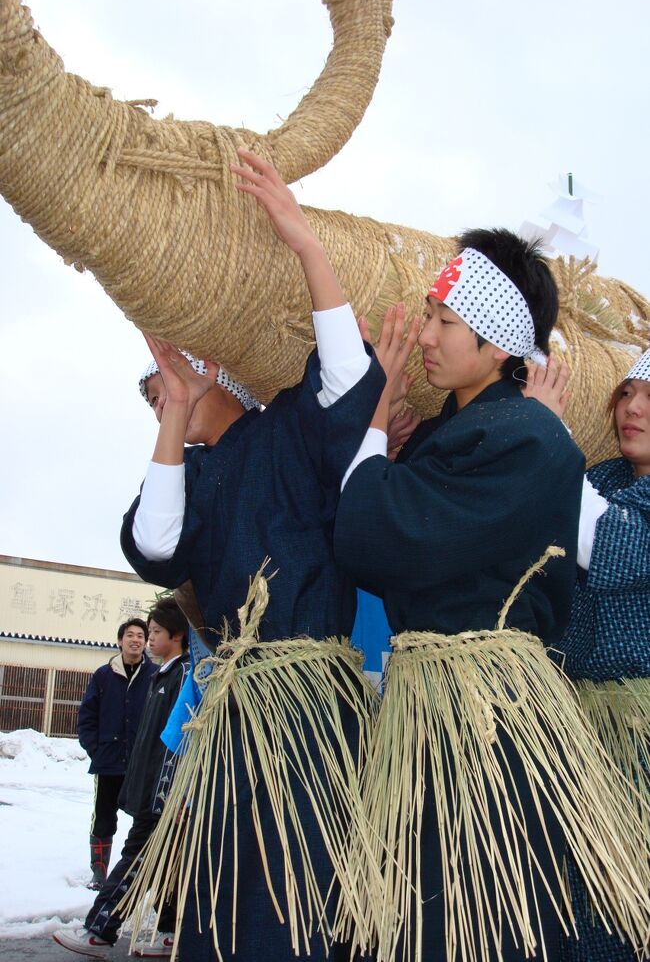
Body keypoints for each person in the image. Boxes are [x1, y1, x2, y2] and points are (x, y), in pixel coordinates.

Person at [118, 150, 415, 962]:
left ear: (218, 362)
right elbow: (154, 545)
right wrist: (174, 414)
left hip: (309, 714)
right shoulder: (194, 473)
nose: (162, 385)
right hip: (238, 716)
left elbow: (349, 380)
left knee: (294, 908)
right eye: (155, 385)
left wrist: (306, 246)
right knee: (219, 906)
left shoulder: (290, 428)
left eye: (171, 376)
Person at [333, 233, 650, 961]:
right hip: (433, 716)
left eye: (445, 321)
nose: (426, 334)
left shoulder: (530, 441)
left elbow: (375, 535)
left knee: (473, 918)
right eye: (429, 313)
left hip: (486, 727)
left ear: (498, 338)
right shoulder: (468, 434)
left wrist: (375, 409)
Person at [524, 347, 650, 962]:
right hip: (578, 730)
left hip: (638, 739)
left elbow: (604, 541)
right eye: (626, 393)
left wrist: (546, 433)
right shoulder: (600, 478)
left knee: (626, 902)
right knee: (574, 902)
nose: (632, 408)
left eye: (649, 398)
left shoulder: (598, 495)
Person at [53, 597, 191, 959]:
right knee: (169, 861)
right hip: (146, 785)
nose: (147, 639)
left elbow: (180, 742)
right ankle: (169, 931)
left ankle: (99, 930)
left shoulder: (183, 676)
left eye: (155, 632)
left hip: (163, 795)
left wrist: (169, 794)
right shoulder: (161, 675)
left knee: (137, 858)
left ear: (176, 635)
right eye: (144, 633)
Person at [77, 618, 158, 889]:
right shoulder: (103, 675)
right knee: (103, 816)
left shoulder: (155, 675)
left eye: (140, 636)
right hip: (108, 760)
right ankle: (99, 872)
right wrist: (95, 750)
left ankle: (138, 872)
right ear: (120, 640)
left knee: (143, 818)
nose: (136, 640)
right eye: (130, 635)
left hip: (141, 763)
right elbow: (87, 717)